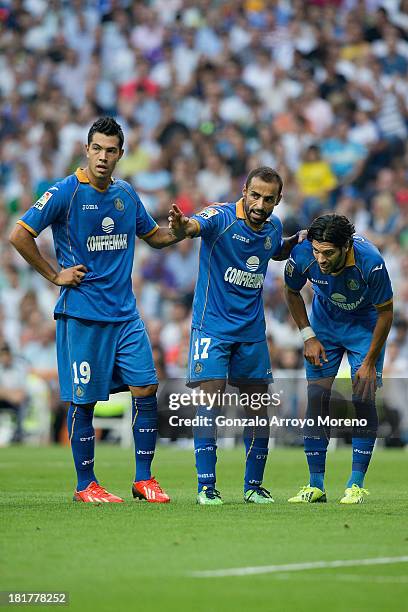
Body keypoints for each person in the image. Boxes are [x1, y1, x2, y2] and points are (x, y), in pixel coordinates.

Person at [10, 117, 185, 504]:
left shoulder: (125, 193)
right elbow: (19, 234)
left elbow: (154, 236)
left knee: (146, 387)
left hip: (125, 315)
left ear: (120, 154)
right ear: (86, 150)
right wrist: (55, 275)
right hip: (83, 315)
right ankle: (85, 484)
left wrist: (183, 230)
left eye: (111, 151)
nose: (103, 157)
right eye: (97, 149)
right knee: (83, 401)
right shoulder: (65, 193)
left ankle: (143, 479)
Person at [169, 166, 303, 505]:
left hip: (252, 332)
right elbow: (194, 225)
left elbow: (274, 250)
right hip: (212, 328)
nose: (260, 203)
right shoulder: (221, 216)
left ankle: (253, 486)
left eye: (268, 199)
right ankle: (206, 487)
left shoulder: (272, 226)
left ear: (278, 200)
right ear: (244, 190)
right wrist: (183, 226)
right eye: (255, 195)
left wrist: (295, 242)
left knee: (258, 411)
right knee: (209, 405)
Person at [284, 214, 393, 504]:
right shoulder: (304, 253)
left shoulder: (371, 262)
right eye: (317, 251)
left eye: (328, 253)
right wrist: (308, 335)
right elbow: (291, 291)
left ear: (346, 247)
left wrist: (369, 361)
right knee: (317, 397)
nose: (320, 259)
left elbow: (386, 312)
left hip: (364, 327)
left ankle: (355, 484)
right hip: (325, 326)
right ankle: (315, 485)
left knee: (362, 398)